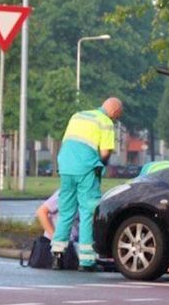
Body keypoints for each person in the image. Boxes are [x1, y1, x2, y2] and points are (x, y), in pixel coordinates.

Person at [52, 97, 123, 270]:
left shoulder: (78, 116)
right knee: (87, 212)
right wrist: (99, 165)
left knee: (66, 211)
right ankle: (86, 260)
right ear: (114, 112)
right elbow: (105, 153)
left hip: (66, 166)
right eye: (117, 116)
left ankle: (57, 256)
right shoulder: (105, 122)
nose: (116, 119)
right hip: (86, 169)